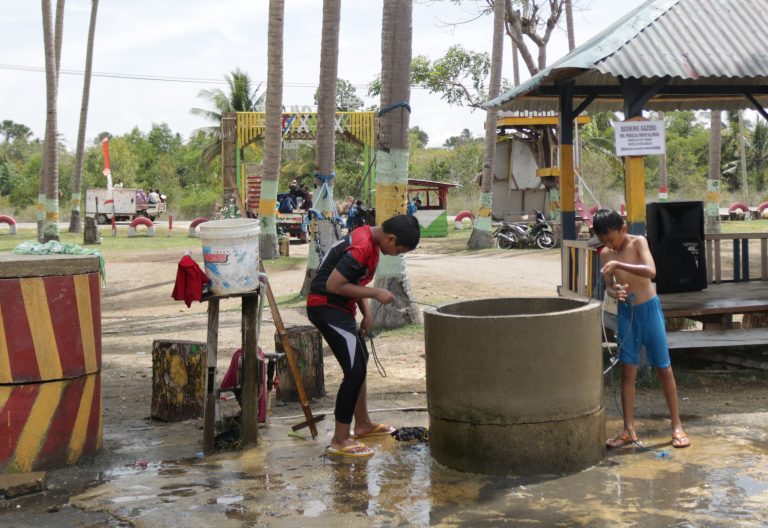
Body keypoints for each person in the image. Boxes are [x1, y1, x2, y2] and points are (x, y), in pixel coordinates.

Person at [306, 214, 421, 458]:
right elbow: (334, 285)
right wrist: (376, 293)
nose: (398, 255)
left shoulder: (371, 241)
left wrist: (366, 312)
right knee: (355, 369)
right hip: (326, 308)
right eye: (399, 250)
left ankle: (362, 424)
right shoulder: (362, 246)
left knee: (360, 360)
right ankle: (340, 439)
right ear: (391, 239)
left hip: (341, 310)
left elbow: (353, 280)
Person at [594, 208, 690, 450]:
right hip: (627, 315)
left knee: (664, 369)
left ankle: (677, 425)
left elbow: (651, 271)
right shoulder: (606, 254)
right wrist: (614, 291)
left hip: (649, 311)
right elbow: (609, 286)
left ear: (623, 229)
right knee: (628, 371)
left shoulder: (638, 243)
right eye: (603, 241)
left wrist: (619, 262)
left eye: (611, 238)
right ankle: (628, 429)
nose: (608, 245)